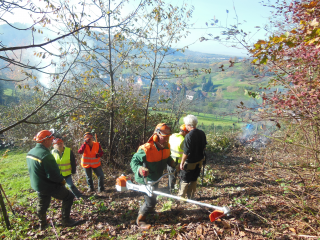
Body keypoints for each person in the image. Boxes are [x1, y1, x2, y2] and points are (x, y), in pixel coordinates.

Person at [26, 130, 79, 230]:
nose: (52, 142)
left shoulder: (31, 152)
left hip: (38, 184)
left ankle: (42, 224)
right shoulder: (46, 155)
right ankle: (66, 221)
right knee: (69, 197)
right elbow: (53, 176)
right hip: (48, 186)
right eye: (51, 140)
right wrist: (61, 181)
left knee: (42, 203)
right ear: (45, 141)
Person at [130, 123, 179, 229]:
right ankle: (140, 220)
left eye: (167, 137)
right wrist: (140, 169)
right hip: (145, 179)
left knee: (153, 196)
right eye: (163, 137)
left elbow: (167, 157)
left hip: (156, 178)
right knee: (150, 201)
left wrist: (173, 164)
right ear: (156, 136)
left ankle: (150, 210)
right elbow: (133, 162)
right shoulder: (146, 149)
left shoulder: (166, 147)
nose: (166, 140)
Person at [179, 115, 207, 200]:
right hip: (199, 161)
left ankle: (181, 199)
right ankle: (191, 197)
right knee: (194, 179)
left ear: (188, 125)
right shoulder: (202, 133)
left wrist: (182, 162)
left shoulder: (189, 136)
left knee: (185, 179)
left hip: (190, 161)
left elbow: (186, 152)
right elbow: (204, 147)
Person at [167, 124, 189, 192]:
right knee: (181, 177)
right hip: (179, 162)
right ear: (185, 132)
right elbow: (186, 152)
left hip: (170, 160)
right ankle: (179, 192)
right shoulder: (183, 140)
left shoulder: (172, 135)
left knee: (171, 177)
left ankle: (170, 191)